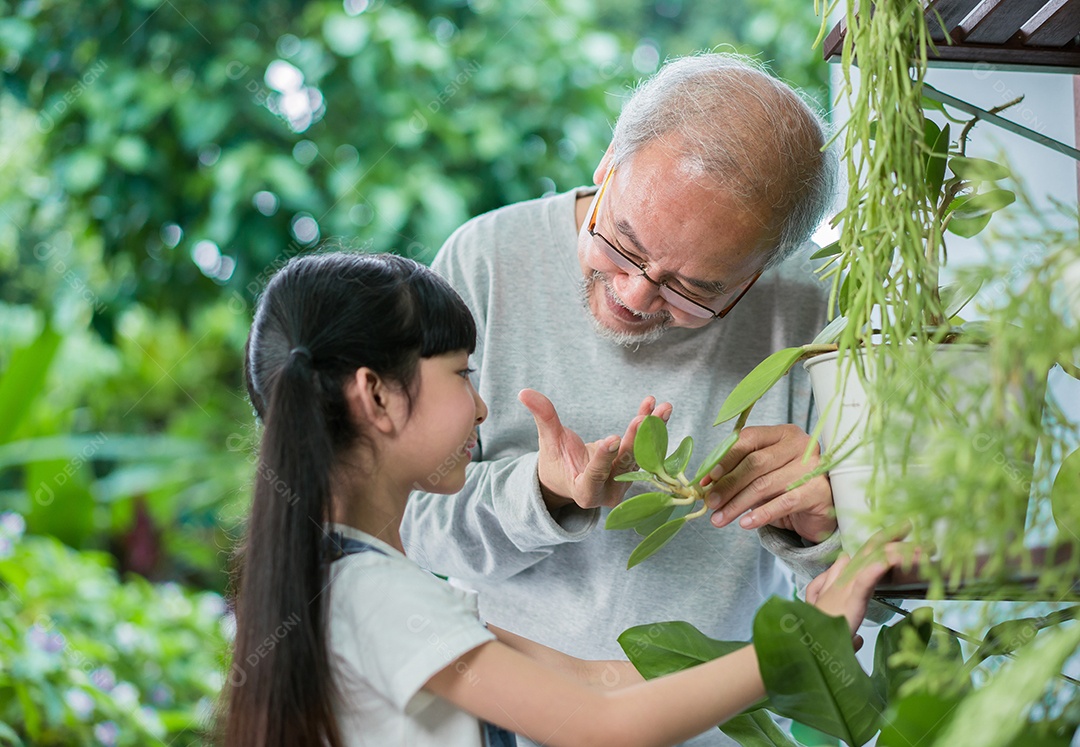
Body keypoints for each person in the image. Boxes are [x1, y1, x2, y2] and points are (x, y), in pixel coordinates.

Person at [221, 251, 891, 747]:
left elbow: (595, 680)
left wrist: (794, 639)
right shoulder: (373, 593)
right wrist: (797, 646)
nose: (481, 405)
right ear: (377, 396)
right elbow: (604, 724)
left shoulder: (356, 581)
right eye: (461, 374)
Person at [400, 52, 855, 746]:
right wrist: (543, 496)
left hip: (718, 723)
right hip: (502, 714)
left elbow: (875, 589)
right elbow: (412, 520)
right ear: (610, 160)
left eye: (695, 289)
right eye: (623, 243)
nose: (636, 294)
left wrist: (826, 522)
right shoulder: (484, 261)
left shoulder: (816, 311)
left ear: (763, 268)